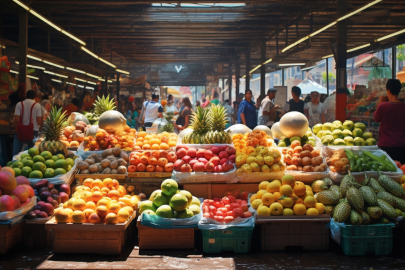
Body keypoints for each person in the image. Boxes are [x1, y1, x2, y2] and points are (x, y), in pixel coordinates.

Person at [373, 79, 405, 164]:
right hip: (402, 146)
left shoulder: (383, 106)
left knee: (387, 173)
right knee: (401, 172)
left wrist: (380, 101)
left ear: (388, 90)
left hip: (386, 146)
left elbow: (376, 118)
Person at [13, 90, 43, 156]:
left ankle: (13, 163)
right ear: (34, 97)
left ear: (26, 96)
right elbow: (39, 121)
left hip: (20, 131)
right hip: (33, 131)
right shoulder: (37, 105)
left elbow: (17, 120)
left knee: (16, 153)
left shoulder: (19, 104)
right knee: (33, 153)